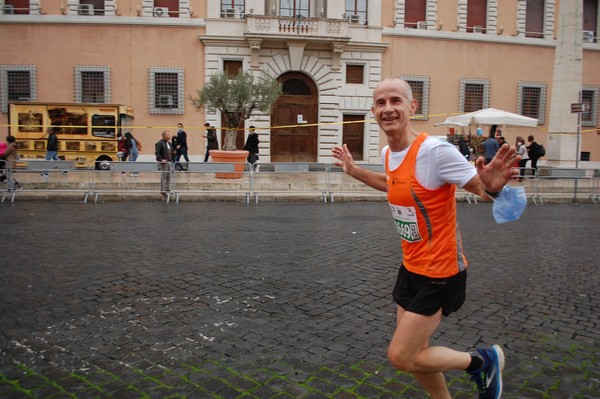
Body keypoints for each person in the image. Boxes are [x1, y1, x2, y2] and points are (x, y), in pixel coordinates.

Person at [332, 77, 519, 399]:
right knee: (420, 354)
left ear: (411, 107)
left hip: (441, 273)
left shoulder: (435, 152)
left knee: (402, 356)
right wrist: (354, 171)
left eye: (395, 101)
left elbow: (482, 189)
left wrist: (493, 186)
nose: (388, 109)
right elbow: (391, 183)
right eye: (380, 103)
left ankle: (482, 361)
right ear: (373, 111)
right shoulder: (389, 152)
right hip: (411, 267)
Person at [155, 131, 173, 196]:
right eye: (168, 134)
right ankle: (162, 189)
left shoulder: (169, 143)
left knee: (169, 176)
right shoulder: (160, 143)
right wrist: (161, 159)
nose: (169, 135)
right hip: (164, 162)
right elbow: (157, 152)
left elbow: (171, 151)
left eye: (169, 134)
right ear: (164, 136)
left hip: (170, 161)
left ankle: (168, 188)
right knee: (164, 176)